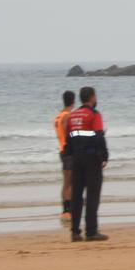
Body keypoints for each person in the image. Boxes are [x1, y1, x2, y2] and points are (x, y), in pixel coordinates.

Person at [61, 86, 110, 242]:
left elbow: (68, 139)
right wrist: (104, 155)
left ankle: (75, 232)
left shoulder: (72, 115)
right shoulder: (94, 115)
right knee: (92, 195)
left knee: (76, 196)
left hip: (76, 160)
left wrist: (70, 155)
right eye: (95, 96)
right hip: (91, 159)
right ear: (92, 97)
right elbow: (98, 136)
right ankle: (91, 231)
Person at [53, 90, 76, 228]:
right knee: (70, 182)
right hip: (68, 152)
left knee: (67, 182)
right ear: (73, 101)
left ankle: (67, 209)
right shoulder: (67, 116)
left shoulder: (58, 116)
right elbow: (69, 134)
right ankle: (67, 210)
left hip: (62, 150)